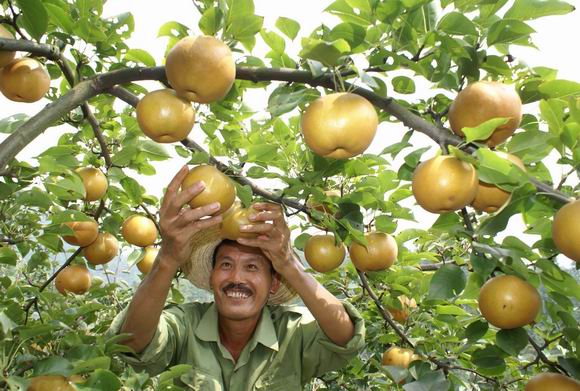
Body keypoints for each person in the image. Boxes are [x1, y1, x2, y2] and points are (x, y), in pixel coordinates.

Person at [107, 166, 365, 390]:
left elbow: (346, 338)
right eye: (226, 264)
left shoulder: (291, 333)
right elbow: (131, 343)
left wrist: (287, 263)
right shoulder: (184, 326)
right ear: (211, 278)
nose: (237, 277)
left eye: (252, 267)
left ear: (274, 283)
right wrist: (167, 258)